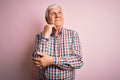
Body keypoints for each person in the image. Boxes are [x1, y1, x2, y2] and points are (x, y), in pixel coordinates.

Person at [32, 4, 83, 80]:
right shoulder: (39, 36)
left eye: (60, 12)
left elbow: (78, 62)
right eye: (53, 13)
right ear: (46, 19)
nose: (57, 15)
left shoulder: (73, 34)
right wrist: (45, 35)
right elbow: (38, 62)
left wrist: (52, 60)